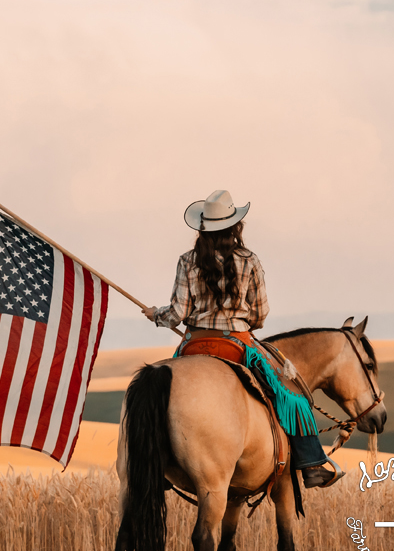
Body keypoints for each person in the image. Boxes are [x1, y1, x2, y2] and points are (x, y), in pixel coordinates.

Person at [141, 190, 340, 488]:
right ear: (235, 226)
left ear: (203, 228)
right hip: (238, 343)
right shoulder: (249, 261)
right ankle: (311, 465)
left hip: (193, 343)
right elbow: (260, 314)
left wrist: (156, 314)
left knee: (164, 393)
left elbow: (177, 313)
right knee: (292, 398)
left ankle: (157, 466)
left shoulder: (186, 261)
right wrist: (247, 322)